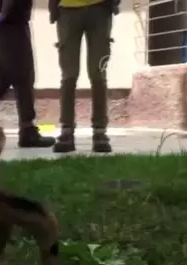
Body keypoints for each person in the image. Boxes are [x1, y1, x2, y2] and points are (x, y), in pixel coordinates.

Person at [0, 0, 56, 148]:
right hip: (9, 25)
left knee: (13, 76)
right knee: (12, 77)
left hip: (8, 24)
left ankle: (27, 130)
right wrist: (2, 14)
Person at [48, 0, 119, 153]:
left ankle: (99, 132)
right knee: (69, 74)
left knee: (98, 73)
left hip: (100, 7)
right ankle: (67, 131)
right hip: (67, 9)